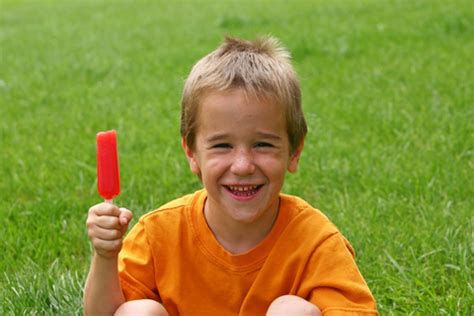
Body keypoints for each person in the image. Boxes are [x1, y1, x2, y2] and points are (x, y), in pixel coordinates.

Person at [84, 36, 378, 316]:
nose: (242, 165)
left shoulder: (315, 241)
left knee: (293, 310)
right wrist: (105, 257)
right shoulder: (158, 235)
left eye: (262, 144)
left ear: (294, 151)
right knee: (138, 311)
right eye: (222, 145)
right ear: (191, 153)